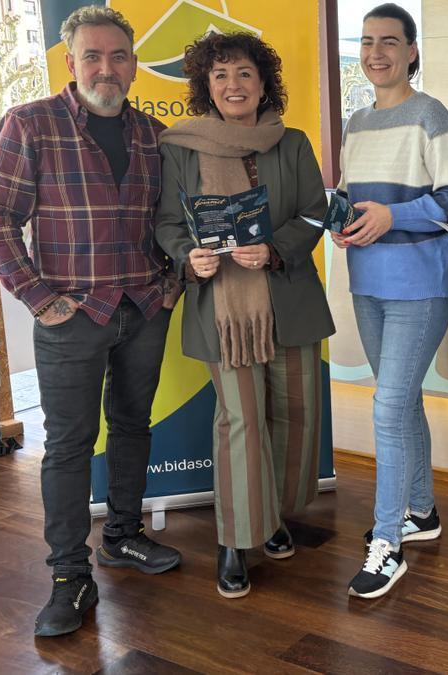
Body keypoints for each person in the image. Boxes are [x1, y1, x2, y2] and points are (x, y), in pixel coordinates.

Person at [0, 6, 182, 637]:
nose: (106, 68)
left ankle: (122, 535)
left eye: (118, 56)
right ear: (71, 63)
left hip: (144, 310)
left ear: (134, 64)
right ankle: (70, 576)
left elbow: (174, 221)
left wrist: (172, 284)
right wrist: (39, 298)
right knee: (66, 447)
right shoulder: (30, 125)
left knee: (132, 426)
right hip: (70, 319)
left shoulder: (153, 135)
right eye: (92, 56)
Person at [155, 31, 334, 600]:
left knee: (295, 414)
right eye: (221, 75)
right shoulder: (179, 147)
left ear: (263, 84)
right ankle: (235, 540)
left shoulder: (293, 142)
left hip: (290, 301)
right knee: (241, 421)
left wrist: (276, 248)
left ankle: (274, 517)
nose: (234, 85)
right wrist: (189, 255)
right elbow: (166, 223)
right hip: (223, 310)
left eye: (244, 74)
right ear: (207, 86)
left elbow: (314, 213)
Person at [331, 3, 448, 599]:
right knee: (403, 402)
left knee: (387, 410)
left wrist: (395, 214)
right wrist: (339, 218)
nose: (376, 52)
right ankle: (420, 511)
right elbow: (351, 193)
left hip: (418, 287)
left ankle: (387, 543)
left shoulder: (432, 115)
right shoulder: (357, 121)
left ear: (412, 51)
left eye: (390, 41)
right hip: (367, 284)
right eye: (367, 42)